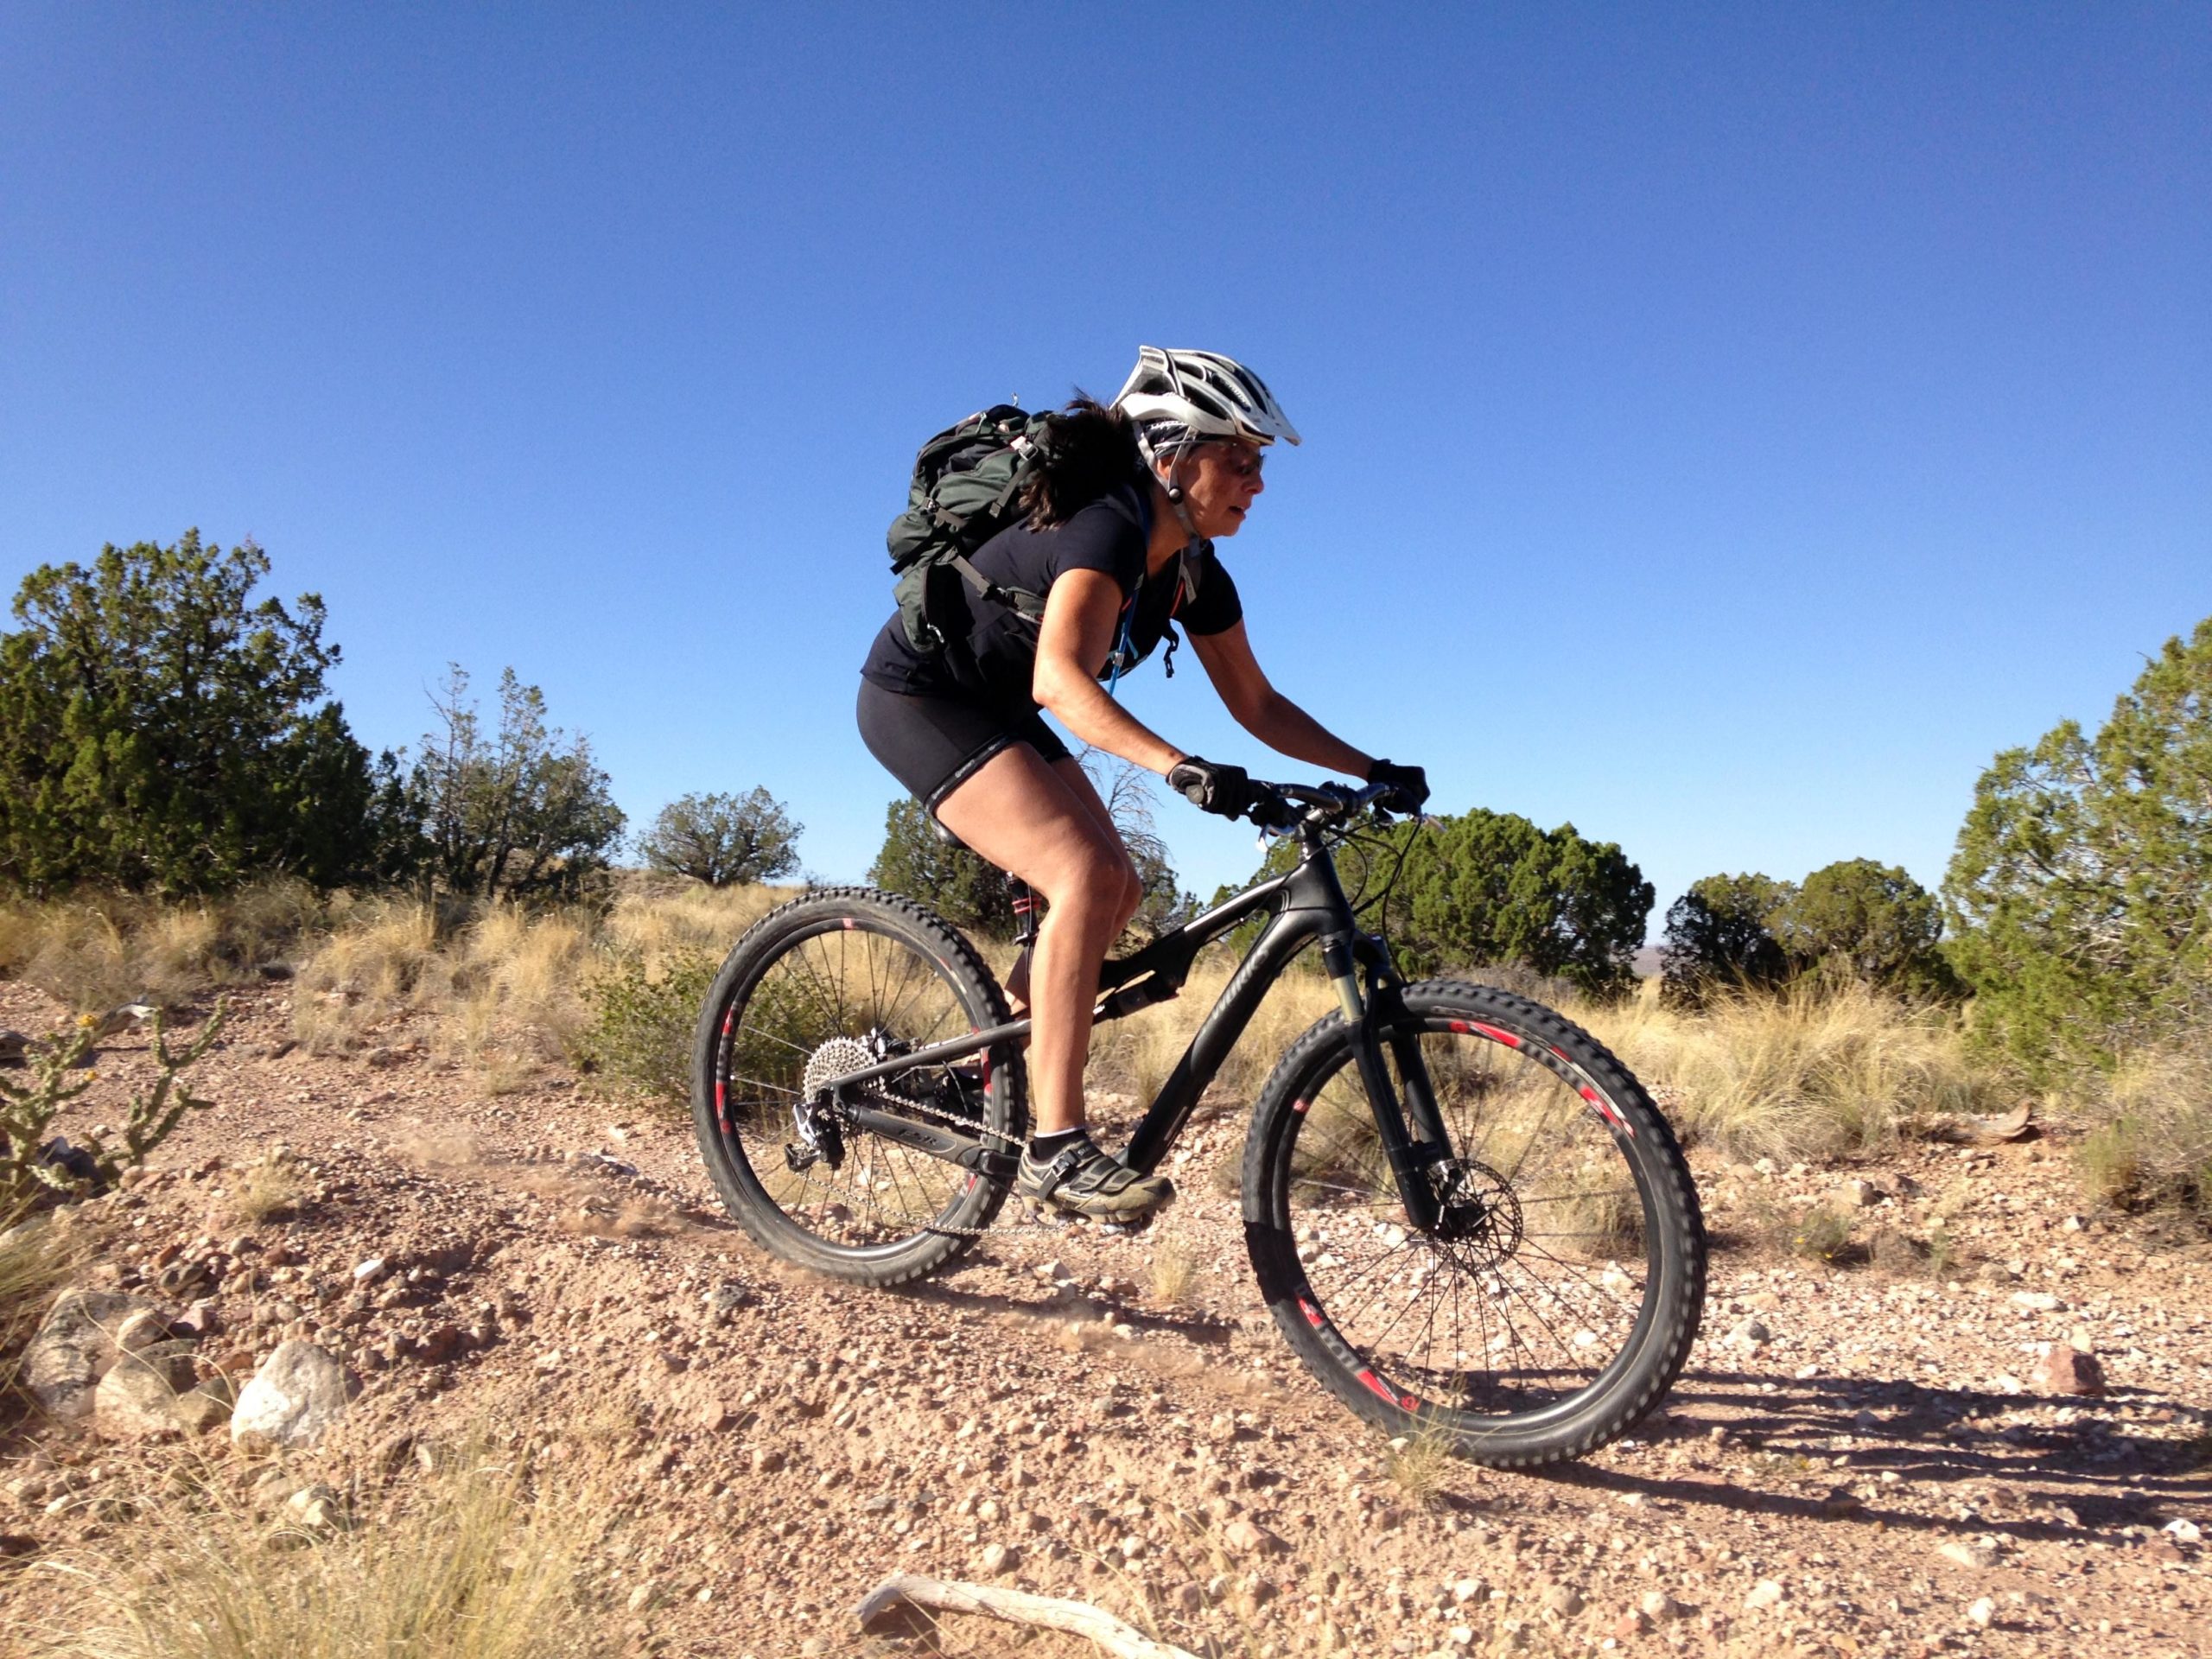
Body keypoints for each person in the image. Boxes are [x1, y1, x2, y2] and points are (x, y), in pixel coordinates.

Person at [856, 346, 1427, 1221]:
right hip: (921, 699)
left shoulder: (1192, 566)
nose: (1257, 481)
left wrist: (1370, 769)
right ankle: (1056, 1147)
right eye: (1238, 458)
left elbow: (1257, 702)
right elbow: (1059, 681)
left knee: (1117, 887)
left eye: (1259, 462)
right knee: (1083, 875)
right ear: (1170, 455)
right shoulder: (1107, 528)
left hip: (999, 708)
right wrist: (1179, 767)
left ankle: (974, 1076)